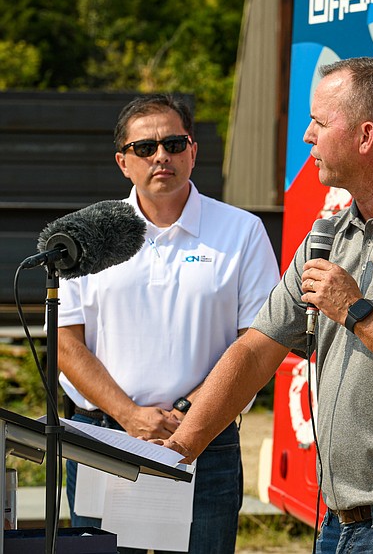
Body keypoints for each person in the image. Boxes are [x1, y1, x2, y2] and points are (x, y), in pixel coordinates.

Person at [156, 57, 373, 553]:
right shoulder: (331, 235)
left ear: (366, 137)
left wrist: (358, 312)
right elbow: (257, 349)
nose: (306, 136)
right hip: (341, 526)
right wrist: (179, 450)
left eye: (320, 122)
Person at [57, 93, 280, 554]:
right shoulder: (85, 234)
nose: (162, 155)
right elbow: (65, 342)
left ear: (193, 152)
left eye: (175, 143)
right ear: (123, 161)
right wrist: (129, 416)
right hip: (106, 439)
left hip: (206, 440)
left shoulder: (241, 231)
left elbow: (261, 343)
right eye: (145, 148)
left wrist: (188, 414)